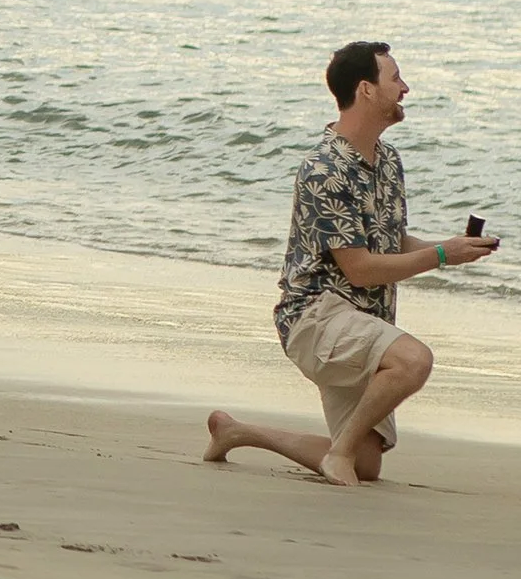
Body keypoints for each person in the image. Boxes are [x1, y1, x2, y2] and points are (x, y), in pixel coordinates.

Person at [205, 42, 497, 486]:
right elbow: (359, 268)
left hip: (360, 320)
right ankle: (336, 452)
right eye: (395, 78)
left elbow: (392, 243)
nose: (405, 88)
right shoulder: (325, 168)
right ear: (366, 89)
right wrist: (439, 257)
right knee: (413, 361)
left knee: (367, 465)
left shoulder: (388, 161)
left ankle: (236, 432)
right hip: (315, 317)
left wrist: (453, 249)